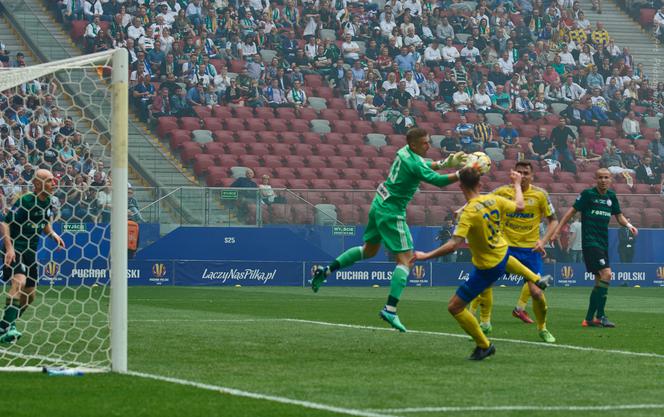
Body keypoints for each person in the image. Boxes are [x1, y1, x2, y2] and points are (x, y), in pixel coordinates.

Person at [311, 128, 468, 332]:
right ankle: (390, 309)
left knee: (368, 250)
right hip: (392, 211)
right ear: (413, 144)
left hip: (379, 203)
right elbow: (437, 181)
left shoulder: (404, 152)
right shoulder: (413, 162)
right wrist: (461, 172)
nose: (428, 145)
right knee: (406, 260)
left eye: (428, 142)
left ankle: (326, 271)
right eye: (424, 143)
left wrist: (445, 163)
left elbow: (424, 165)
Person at [412, 168, 553, 360]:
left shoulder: (468, 213)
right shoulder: (495, 200)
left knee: (454, 307)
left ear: (460, 186)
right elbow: (520, 205)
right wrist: (518, 185)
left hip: (488, 267)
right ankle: (535, 278)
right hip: (502, 251)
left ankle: (484, 345)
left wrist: (425, 255)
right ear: (480, 184)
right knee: (505, 262)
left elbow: (453, 245)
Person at [552, 168, 638, 328]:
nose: (603, 180)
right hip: (590, 242)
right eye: (600, 177)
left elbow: (618, 216)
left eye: (606, 177)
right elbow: (571, 212)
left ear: (610, 179)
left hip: (603, 242)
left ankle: (590, 319)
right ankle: (601, 315)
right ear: (595, 179)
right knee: (607, 274)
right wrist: (557, 230)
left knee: (599, 280)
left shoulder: (611, 196)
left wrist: (629, 225)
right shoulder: (588, 194)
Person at [491, 161, 558, 336]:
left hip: (530, 251)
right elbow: (481, 203)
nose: (522, 176)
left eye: (526, 173)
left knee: (536, 292)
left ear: (532, 175)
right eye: (519, 172)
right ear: (513, 174)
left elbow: (554, 221)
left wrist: (543, 241)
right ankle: (481, 321)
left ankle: (542, 328)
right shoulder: (502, 192)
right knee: (484, 281)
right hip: (506, 247)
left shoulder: (540, 195)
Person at [0, 169, 66, 343]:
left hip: (30, 251)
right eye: (50, 180)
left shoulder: (48, 202)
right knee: (19, 282)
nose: (54, 183)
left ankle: (4, 325)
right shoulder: (26, 201)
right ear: (38, 184)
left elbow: (43, 222)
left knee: (30, 295)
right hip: (15, 249)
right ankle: (9, 328)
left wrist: (53, 235)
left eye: (54, 180)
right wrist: (9, 248)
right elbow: (5, 223)